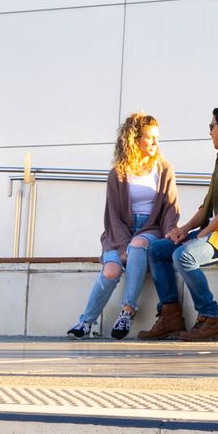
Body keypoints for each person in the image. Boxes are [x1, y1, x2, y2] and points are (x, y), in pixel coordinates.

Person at [138, 106, 218, 342]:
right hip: (215, 232)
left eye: (212, 126)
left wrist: (199, 236)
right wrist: (183, 231)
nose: (210, 132)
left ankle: (210, 318)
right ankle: (170, 316)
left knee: (184, 256)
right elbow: (207, 207)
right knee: (157, 249)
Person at [67, 113, 179, 340]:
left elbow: (170, 207)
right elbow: (113, 216)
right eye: (150, 138)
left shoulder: (164, 170)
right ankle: (85, 322)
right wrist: (120, 247)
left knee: (138, 246)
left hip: (150, 229)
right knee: (111, 270)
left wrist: (169, 234)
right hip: (118, 233)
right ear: (135, 139)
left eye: (157, 138)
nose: (156, 143)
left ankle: (128, 310)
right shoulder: (117, 174)